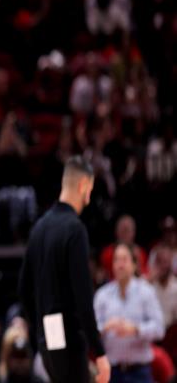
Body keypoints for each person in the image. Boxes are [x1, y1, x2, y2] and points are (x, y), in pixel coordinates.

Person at [19, 156, 110, 383]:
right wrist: (99, 352)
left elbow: (23, 289)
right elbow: (83, 296)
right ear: (82, 185)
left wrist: (38, 331)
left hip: (47, 339)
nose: (89, 198)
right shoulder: (75, 229)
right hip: (69, 337)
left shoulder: (39, 227)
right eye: (90, 190)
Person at [94, 243, 165, 383]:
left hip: (139, 371)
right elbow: (91, 331)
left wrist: (136, 329)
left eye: (124, 259)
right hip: (112, 371)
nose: (120, 265)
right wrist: (105, 327)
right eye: (116, 260)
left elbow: (159, 328)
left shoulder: (146, 292)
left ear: (134, 265)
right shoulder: (102, 295)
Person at [100, 214, 148, 279]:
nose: (125, 234)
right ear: (116, 231)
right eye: (123, 230)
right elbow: (103, 275)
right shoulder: (107, 253)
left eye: (127, 230)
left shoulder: (140, 253)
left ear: (134, 232)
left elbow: (144, 275)